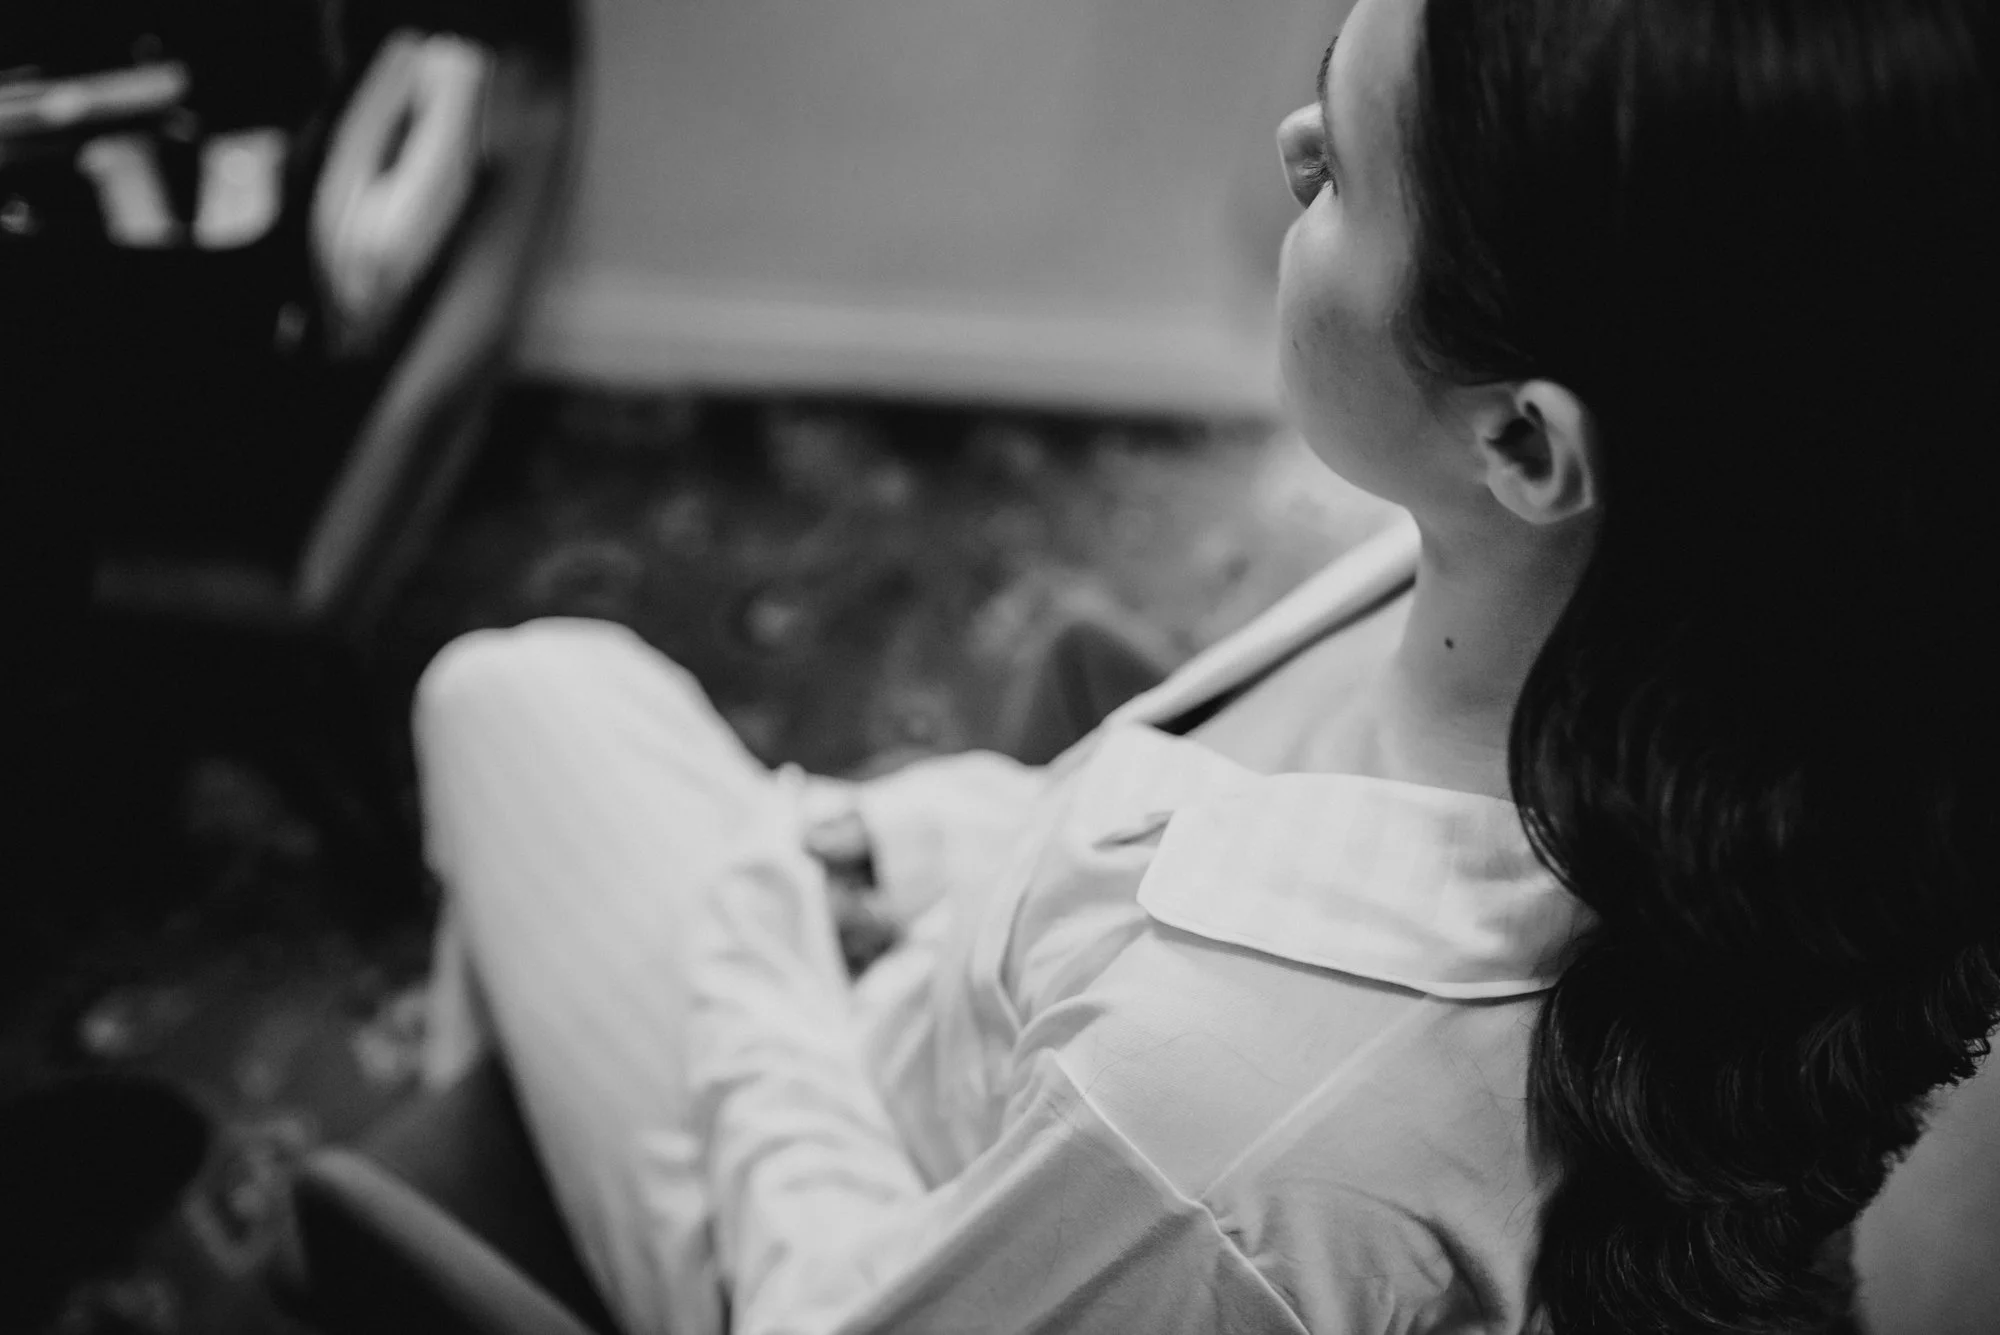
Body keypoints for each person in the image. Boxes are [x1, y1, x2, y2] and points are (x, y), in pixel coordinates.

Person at [409, 0, 2000, 1330]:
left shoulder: (1230, 1134)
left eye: (1352, 166)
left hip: (881, 1183)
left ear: (1526, 435)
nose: (1295, 146)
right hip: (984, 1014)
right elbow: (1161, 825)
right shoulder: (1638, 617)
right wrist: (916, 844)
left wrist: (758, 916)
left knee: (512, 694)